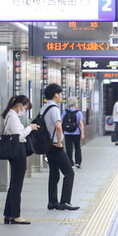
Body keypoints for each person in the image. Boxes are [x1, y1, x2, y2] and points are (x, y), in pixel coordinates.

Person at [41, 83, 79, 211]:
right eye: (61, 93)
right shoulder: (54, 109)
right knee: (69, 172)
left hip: (47, 146)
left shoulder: (44, 108)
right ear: (56, 94)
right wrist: (59, 142)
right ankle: (65, 202)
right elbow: (58, 126)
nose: (61, 96)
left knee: (54, 173)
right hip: (55, 146)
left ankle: (52, 202)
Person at [1, 94, 36, 225]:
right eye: (25, 108)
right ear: (19, 106)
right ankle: (15, 215)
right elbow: (19, 135)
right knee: (17, 184)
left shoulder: (12, 116)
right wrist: (30, 128)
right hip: (17, 151)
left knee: (14, 184)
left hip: (17, 151)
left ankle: (9, 214)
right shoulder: (12, 116)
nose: (25, 111)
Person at [62, 98, 84, 168]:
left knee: (69, 148)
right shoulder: (79, 113)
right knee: (77, 147)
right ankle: (78, 162)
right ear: (75, 104)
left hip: (67, 133)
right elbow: (81, 123)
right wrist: (82, 133)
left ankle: (70, 163)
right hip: (76, 132)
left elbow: (61, 121)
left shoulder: (65, 112)